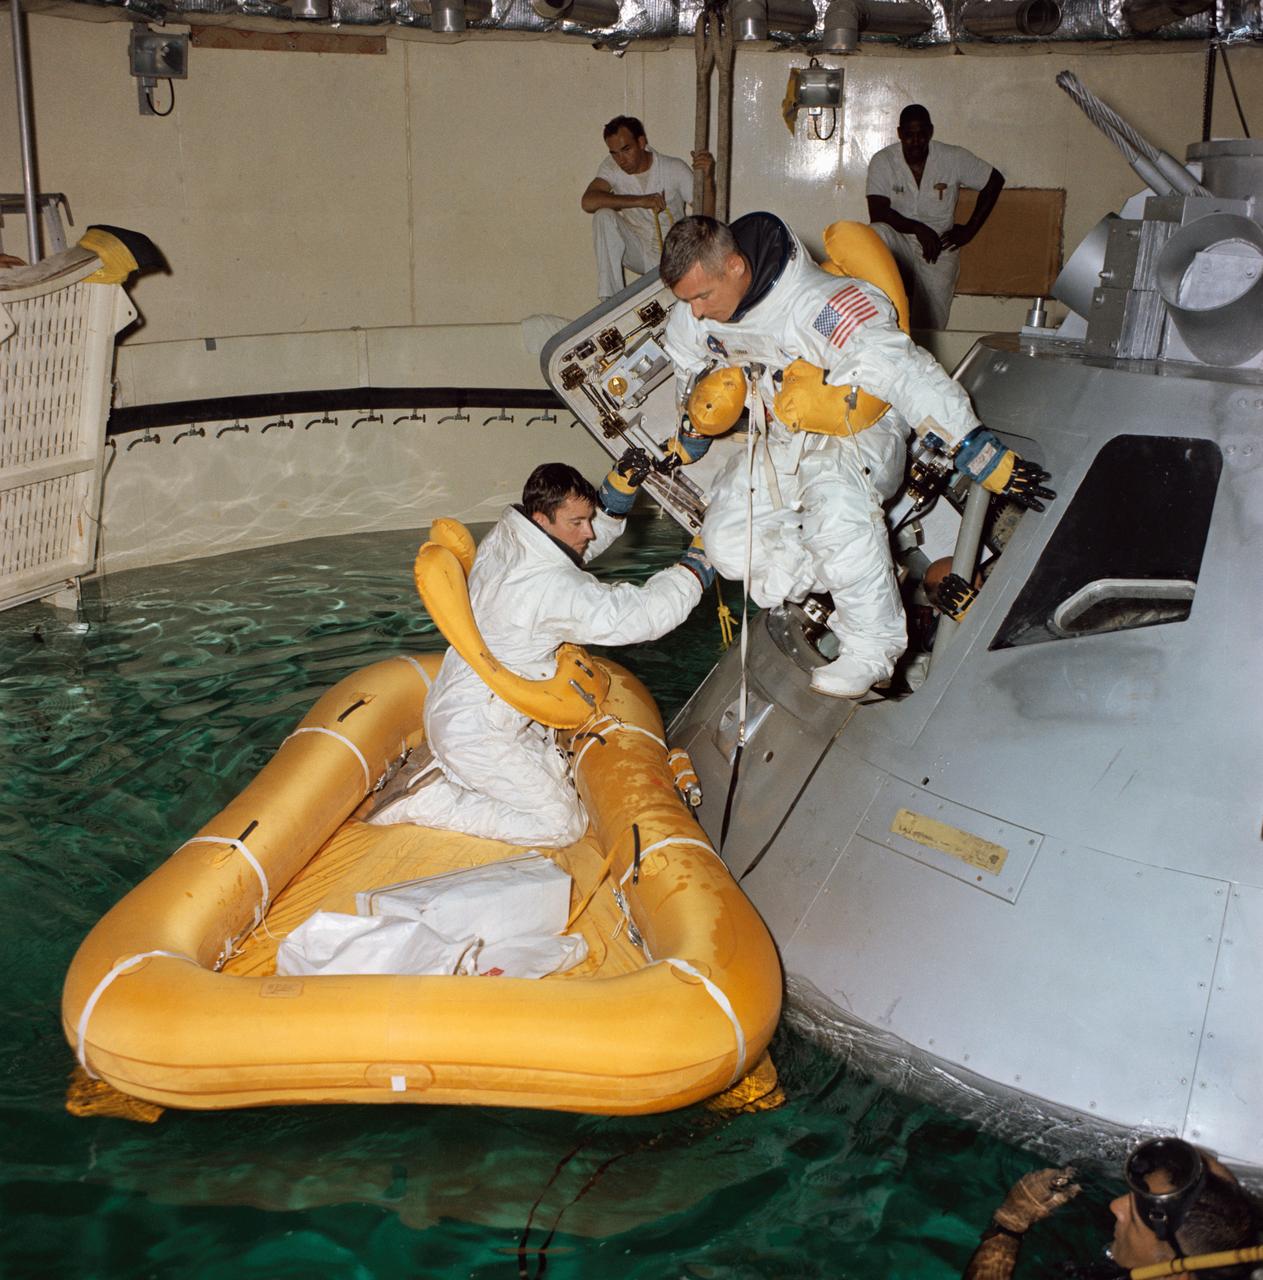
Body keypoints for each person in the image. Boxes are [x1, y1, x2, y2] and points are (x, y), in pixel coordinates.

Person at [658, 212, 1052, 699]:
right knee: (727, 541)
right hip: (784, 433)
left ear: (736, 266)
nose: (694, 312)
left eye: (701, 297)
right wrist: (699, 416)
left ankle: (871, 647)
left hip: (858, 430)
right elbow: (688, 365)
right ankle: (828, 579)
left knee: (838, 508)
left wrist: (976, 450)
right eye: (686, 300)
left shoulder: (819, 306)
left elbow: (902, 370)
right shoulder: (696, 317)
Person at [369, 458, 714, 847]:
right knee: (563, 824)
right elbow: (641, 617)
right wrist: (699, 562)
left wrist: (619, 491)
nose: (587, 530)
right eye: (578, 522)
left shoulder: (508, 537)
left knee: (548, 779)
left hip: (459, 707)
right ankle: (425, 801)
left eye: (590, 519)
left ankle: (446, 770)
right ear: (542, 517)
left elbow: (570, 545)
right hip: (478, 733)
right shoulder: (548, 588)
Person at [963, 1139, 1261, 1279]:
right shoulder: (1228, 1235)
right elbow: (1215, 1181)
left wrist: (1010, 1223)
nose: (1115, 1206)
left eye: (1134, 1216)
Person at [867, 104, 1005, 330]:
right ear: (900, 133)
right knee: (875, 233)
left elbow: (994, 181)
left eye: (921, 134)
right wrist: (919, 229)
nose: (916, 141)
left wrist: (969, 230)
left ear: (930, 132)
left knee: (931, 321)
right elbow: (878, 212)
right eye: (909, 135)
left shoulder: (952, 157)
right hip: (899, 240)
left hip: (939, 247)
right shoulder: (883, 161)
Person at [582, 115, 716, 301]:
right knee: (603, 216)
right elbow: (588, 201)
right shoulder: (612, 167)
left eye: (626, 149)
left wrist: (708, 179)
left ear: (641, 142)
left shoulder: (673, 168)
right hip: (637, 248)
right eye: (614, 153)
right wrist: (640, 200)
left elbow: (707, 218)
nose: (621, 160)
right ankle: (610, 300)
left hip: (672, 255)